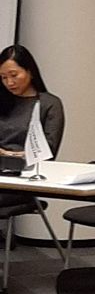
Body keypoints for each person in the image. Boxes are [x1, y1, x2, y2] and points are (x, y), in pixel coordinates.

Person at [0, 44, 65, 207]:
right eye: (3, 77)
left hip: (25, 179)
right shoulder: (2, 101)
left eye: (14, 75)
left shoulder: (49, 104)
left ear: (30, 72)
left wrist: (8, 154)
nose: (9, 82)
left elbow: (47, 152)